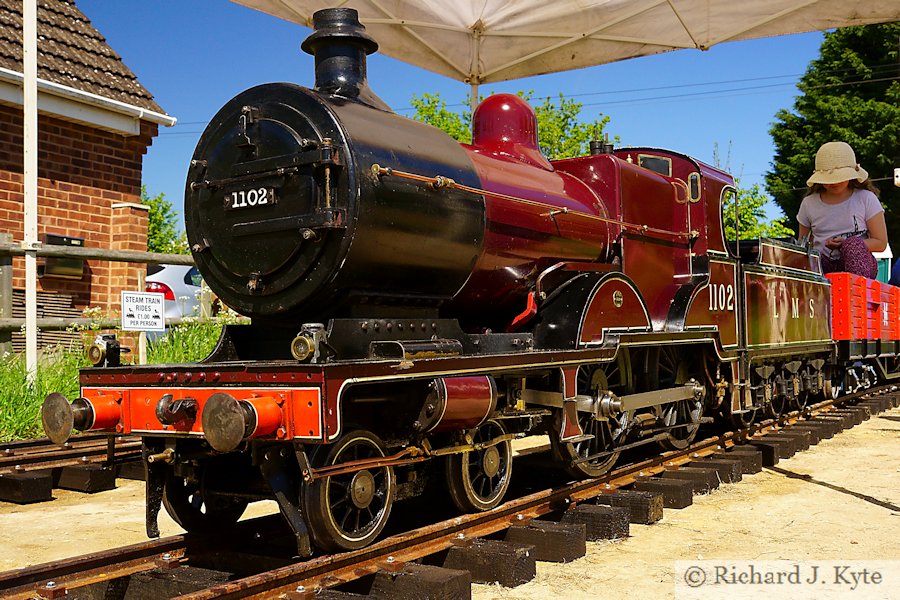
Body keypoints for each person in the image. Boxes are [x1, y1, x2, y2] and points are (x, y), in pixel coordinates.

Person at [797, 141, 886, 278]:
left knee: (853, 245)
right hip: (823, 265)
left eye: (839, 177)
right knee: (810, 256)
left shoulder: (866, 198)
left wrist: (846, 244)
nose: (833, 182)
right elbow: (802, 243)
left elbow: (880, 242)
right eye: (828, 179)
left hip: (860, 264)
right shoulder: (809, 203)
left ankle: (855, 291)